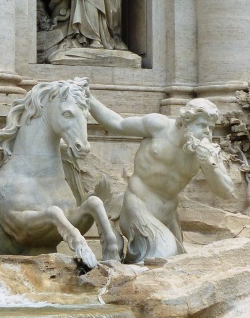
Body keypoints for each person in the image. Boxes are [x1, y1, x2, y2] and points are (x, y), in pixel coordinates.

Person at [86, 96, 233, 262]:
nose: (207, 132)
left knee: (177, 263)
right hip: (138, 207)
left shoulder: (206, 153)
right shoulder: (158, 126)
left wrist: (210, 165)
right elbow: (117, 123)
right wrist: (88, 97)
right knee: (164, 256)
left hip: (169, 216)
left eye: (211, 127)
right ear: (184, 123)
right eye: (202, 125)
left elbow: (227, 192)